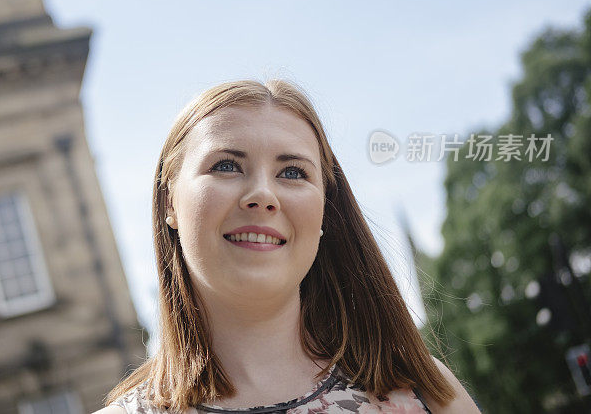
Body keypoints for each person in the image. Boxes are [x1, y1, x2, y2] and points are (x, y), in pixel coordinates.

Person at [94, 79, 480, 413]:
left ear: (326, 210)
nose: (263, 194)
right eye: (226, 165)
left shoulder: (426, 394)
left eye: (292, 172)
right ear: (169, 202)